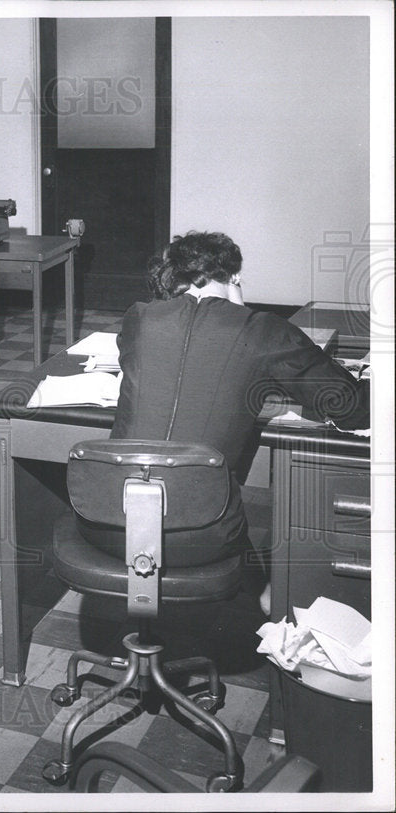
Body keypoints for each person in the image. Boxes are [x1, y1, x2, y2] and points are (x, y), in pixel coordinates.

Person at [104, 231, 369, 581]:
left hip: (108, 521)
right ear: (234, 278)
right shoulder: (263, 330)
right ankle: (268, 606)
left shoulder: (138, 318)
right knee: (262, 574)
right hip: (201, 531)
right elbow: (351, 408)